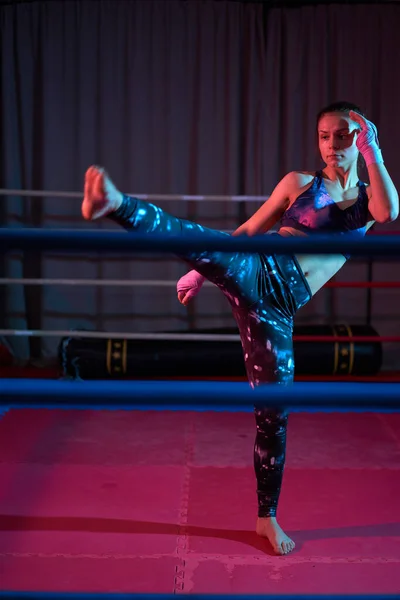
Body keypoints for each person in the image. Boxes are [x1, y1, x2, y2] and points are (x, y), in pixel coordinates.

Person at [82, 101, 398, 555]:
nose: (332, 144)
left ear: (362, 135)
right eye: (324, 136)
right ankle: (117, 204)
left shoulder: (369, 197)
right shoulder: (299, 184)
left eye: (343, 134)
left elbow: (387, 214)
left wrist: (373, 151)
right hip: (259, 266)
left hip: (278, 309)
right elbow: (250, 229)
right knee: (207, 245)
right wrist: (198, 271)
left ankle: (265, 518)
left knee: (274, 414)